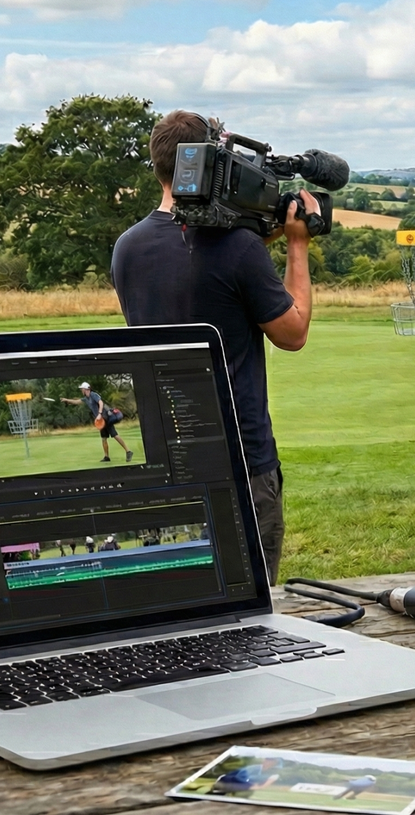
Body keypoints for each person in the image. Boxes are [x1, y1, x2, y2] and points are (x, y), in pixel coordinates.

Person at [110, 110, 318, 584]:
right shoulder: (239, 248)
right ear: (212, 161)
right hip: (242, 457)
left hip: (167, 454)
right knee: (249, 602)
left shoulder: (127, 246)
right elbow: (293, 332)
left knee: (179, 595)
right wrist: (297, 244)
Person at [59, 382, 133, 463]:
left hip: (105, 417)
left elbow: (100, 403)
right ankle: (106, 456)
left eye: (82, 389)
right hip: (101, 421)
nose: (81, 390)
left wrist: (100, 414)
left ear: (86, 389)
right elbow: (76, 402)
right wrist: (66, 400)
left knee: (114, 435)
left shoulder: (93, 394)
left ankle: (128, 451)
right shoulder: (86, 398)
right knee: (104, 438)